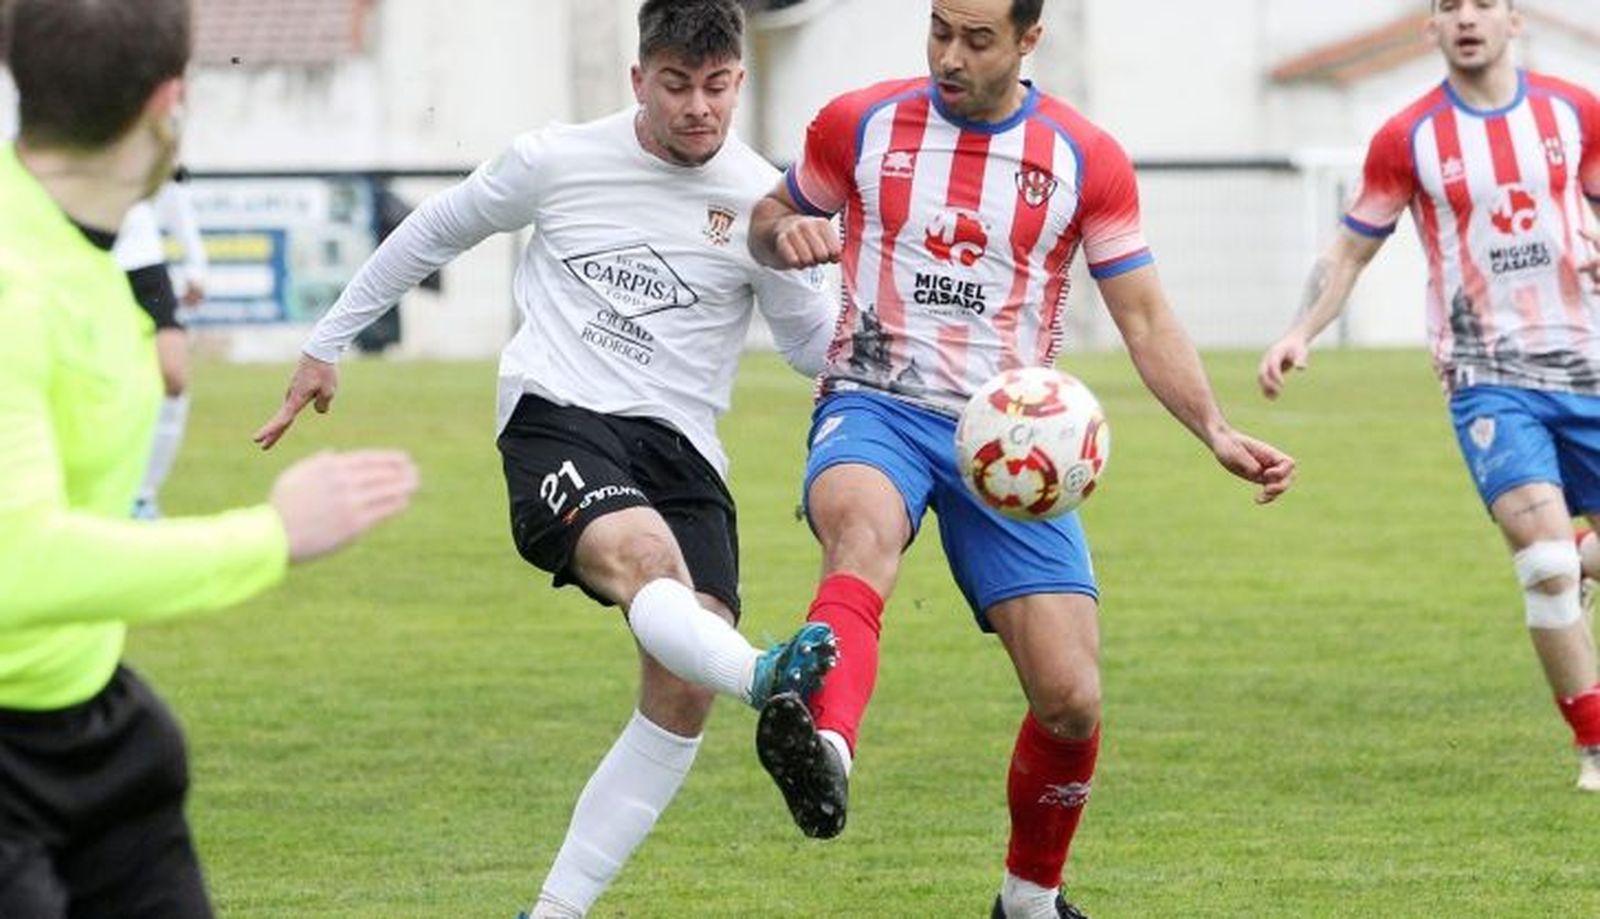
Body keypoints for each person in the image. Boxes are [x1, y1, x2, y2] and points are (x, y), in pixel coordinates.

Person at [251, 2, 841, 916]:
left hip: (684, 449)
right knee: (651, 570)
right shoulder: (556, 159)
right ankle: (765, 678)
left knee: (683, 683)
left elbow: (813, 353)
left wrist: (809, 269)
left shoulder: (762, 196)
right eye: (677, 86)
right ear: (637, 78)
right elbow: (433, 230)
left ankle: (552, 912)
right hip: (559, 415)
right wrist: (326, 343)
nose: (699, 109)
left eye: (718, 87)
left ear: (740, 82)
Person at [747, 1, 1297, 916]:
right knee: (860, 535)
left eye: (977, 38)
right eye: (938, 30)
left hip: (1010, 439)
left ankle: (1028, 901)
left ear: (1029, 40)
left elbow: (1145, 315)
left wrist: (1216, 429)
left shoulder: (1085, 159)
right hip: (873, 400)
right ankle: (827, 748)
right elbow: (772, 214)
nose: (950, 56)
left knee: (1071, 697)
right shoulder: (860, 122)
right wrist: (784, 234)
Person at [0, 1, 420, 916]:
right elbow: (16, 566)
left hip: (94, 729)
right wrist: (271, 536)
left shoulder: (90, 249)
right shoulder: (14, 285)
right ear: (168, 103)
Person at [1258, 0, 1600, 792]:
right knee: (1543, 563)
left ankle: (1577, 559)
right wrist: (1299, 329)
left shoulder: (1574, 112)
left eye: (1485, 4)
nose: (1467, 18)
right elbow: (1349, 250)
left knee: (1563, 557)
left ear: (1515, 20)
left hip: (1587, 365)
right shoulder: (1407, 138)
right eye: (1451, 6)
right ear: (1432, 28)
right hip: (1487, 375)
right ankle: (1593, 743)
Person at [118, 169, 208, 519]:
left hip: (141, 261)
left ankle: (142, 498)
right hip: (77, 260)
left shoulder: (147, 118)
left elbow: (172, 181)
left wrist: (196, 262)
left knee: (173, 376)